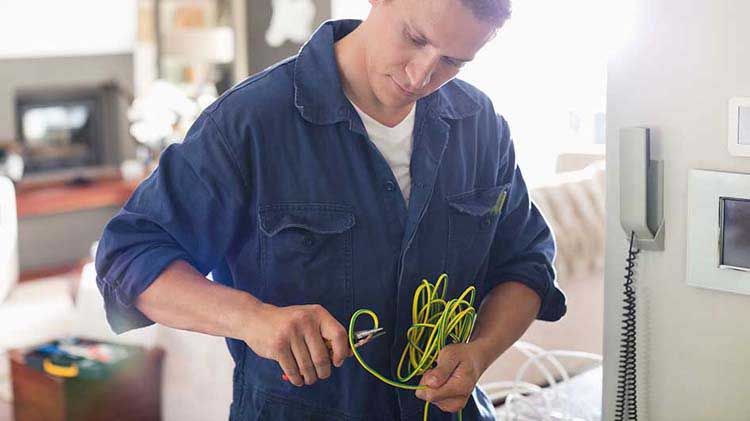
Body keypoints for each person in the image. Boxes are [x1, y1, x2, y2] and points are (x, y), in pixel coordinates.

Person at [95, 0, 567, 419]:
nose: (421, 75)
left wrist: (482, 351)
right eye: (415, 38)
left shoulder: (482, 126)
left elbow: (526, 262)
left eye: (452, 61)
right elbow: (128, 257)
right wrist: (253, 318)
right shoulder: (249, 122)